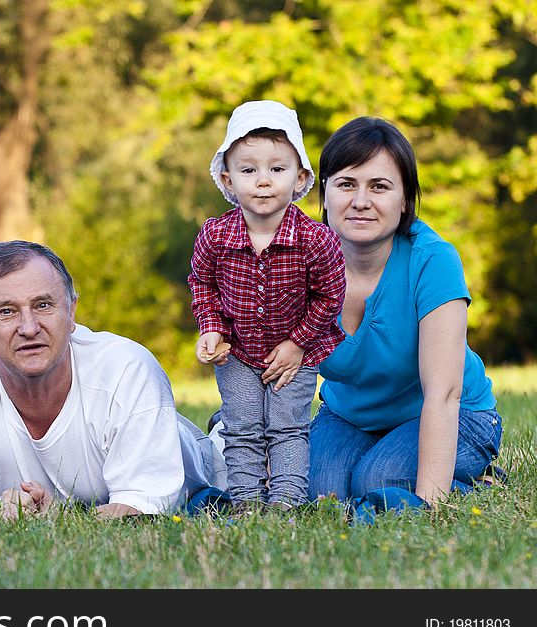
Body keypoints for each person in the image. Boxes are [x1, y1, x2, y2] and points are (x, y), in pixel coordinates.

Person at [0, 241, 227, 519]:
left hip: (206, 463)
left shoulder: (126, 369)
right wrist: (3, 514)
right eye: (7, 312)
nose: (29, 327)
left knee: (249, 451)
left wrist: (57, 517)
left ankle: (224, 428)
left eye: (43, 305)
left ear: (72, 310)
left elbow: (139, 513)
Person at [308, 116, 503, 507]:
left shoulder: (432, 259)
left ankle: (478, 482)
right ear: (325, 193)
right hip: (352, 416)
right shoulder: (300, 262)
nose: (360, 201)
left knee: (378, 482)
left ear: (404, 201)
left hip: (457, 415)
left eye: (379, 187)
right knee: (321, 492)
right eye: (347, 184)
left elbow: (443, 395)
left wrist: (429, 504)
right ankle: (375, 462)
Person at [188, 100, 346, 510]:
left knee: (288, 427)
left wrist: (298, 343)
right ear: (227, 178)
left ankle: (286, 502)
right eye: (248, 170)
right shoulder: (215, 236)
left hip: (294, 353)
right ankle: (246, 502)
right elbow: (202, 284)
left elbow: (330, 296)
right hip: (237, 352)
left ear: (300, 178)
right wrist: (211, 328)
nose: (263, 181)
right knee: (242, 427)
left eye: (277, 169)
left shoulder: (315, 240)